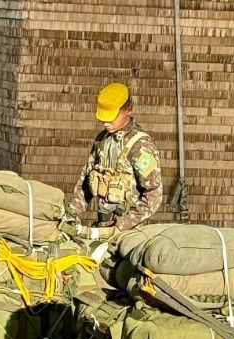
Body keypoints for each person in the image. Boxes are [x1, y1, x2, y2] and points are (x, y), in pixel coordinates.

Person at [67, 82, 163, 235]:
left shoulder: (140, 146)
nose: (106, 123)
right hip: (102, 226)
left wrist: (121, 226)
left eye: (112, 117)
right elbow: (85, 182)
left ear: (128, 109)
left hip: (130, 232)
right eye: (103, 118)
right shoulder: (102, 140)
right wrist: (70, 215)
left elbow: (153, 193)